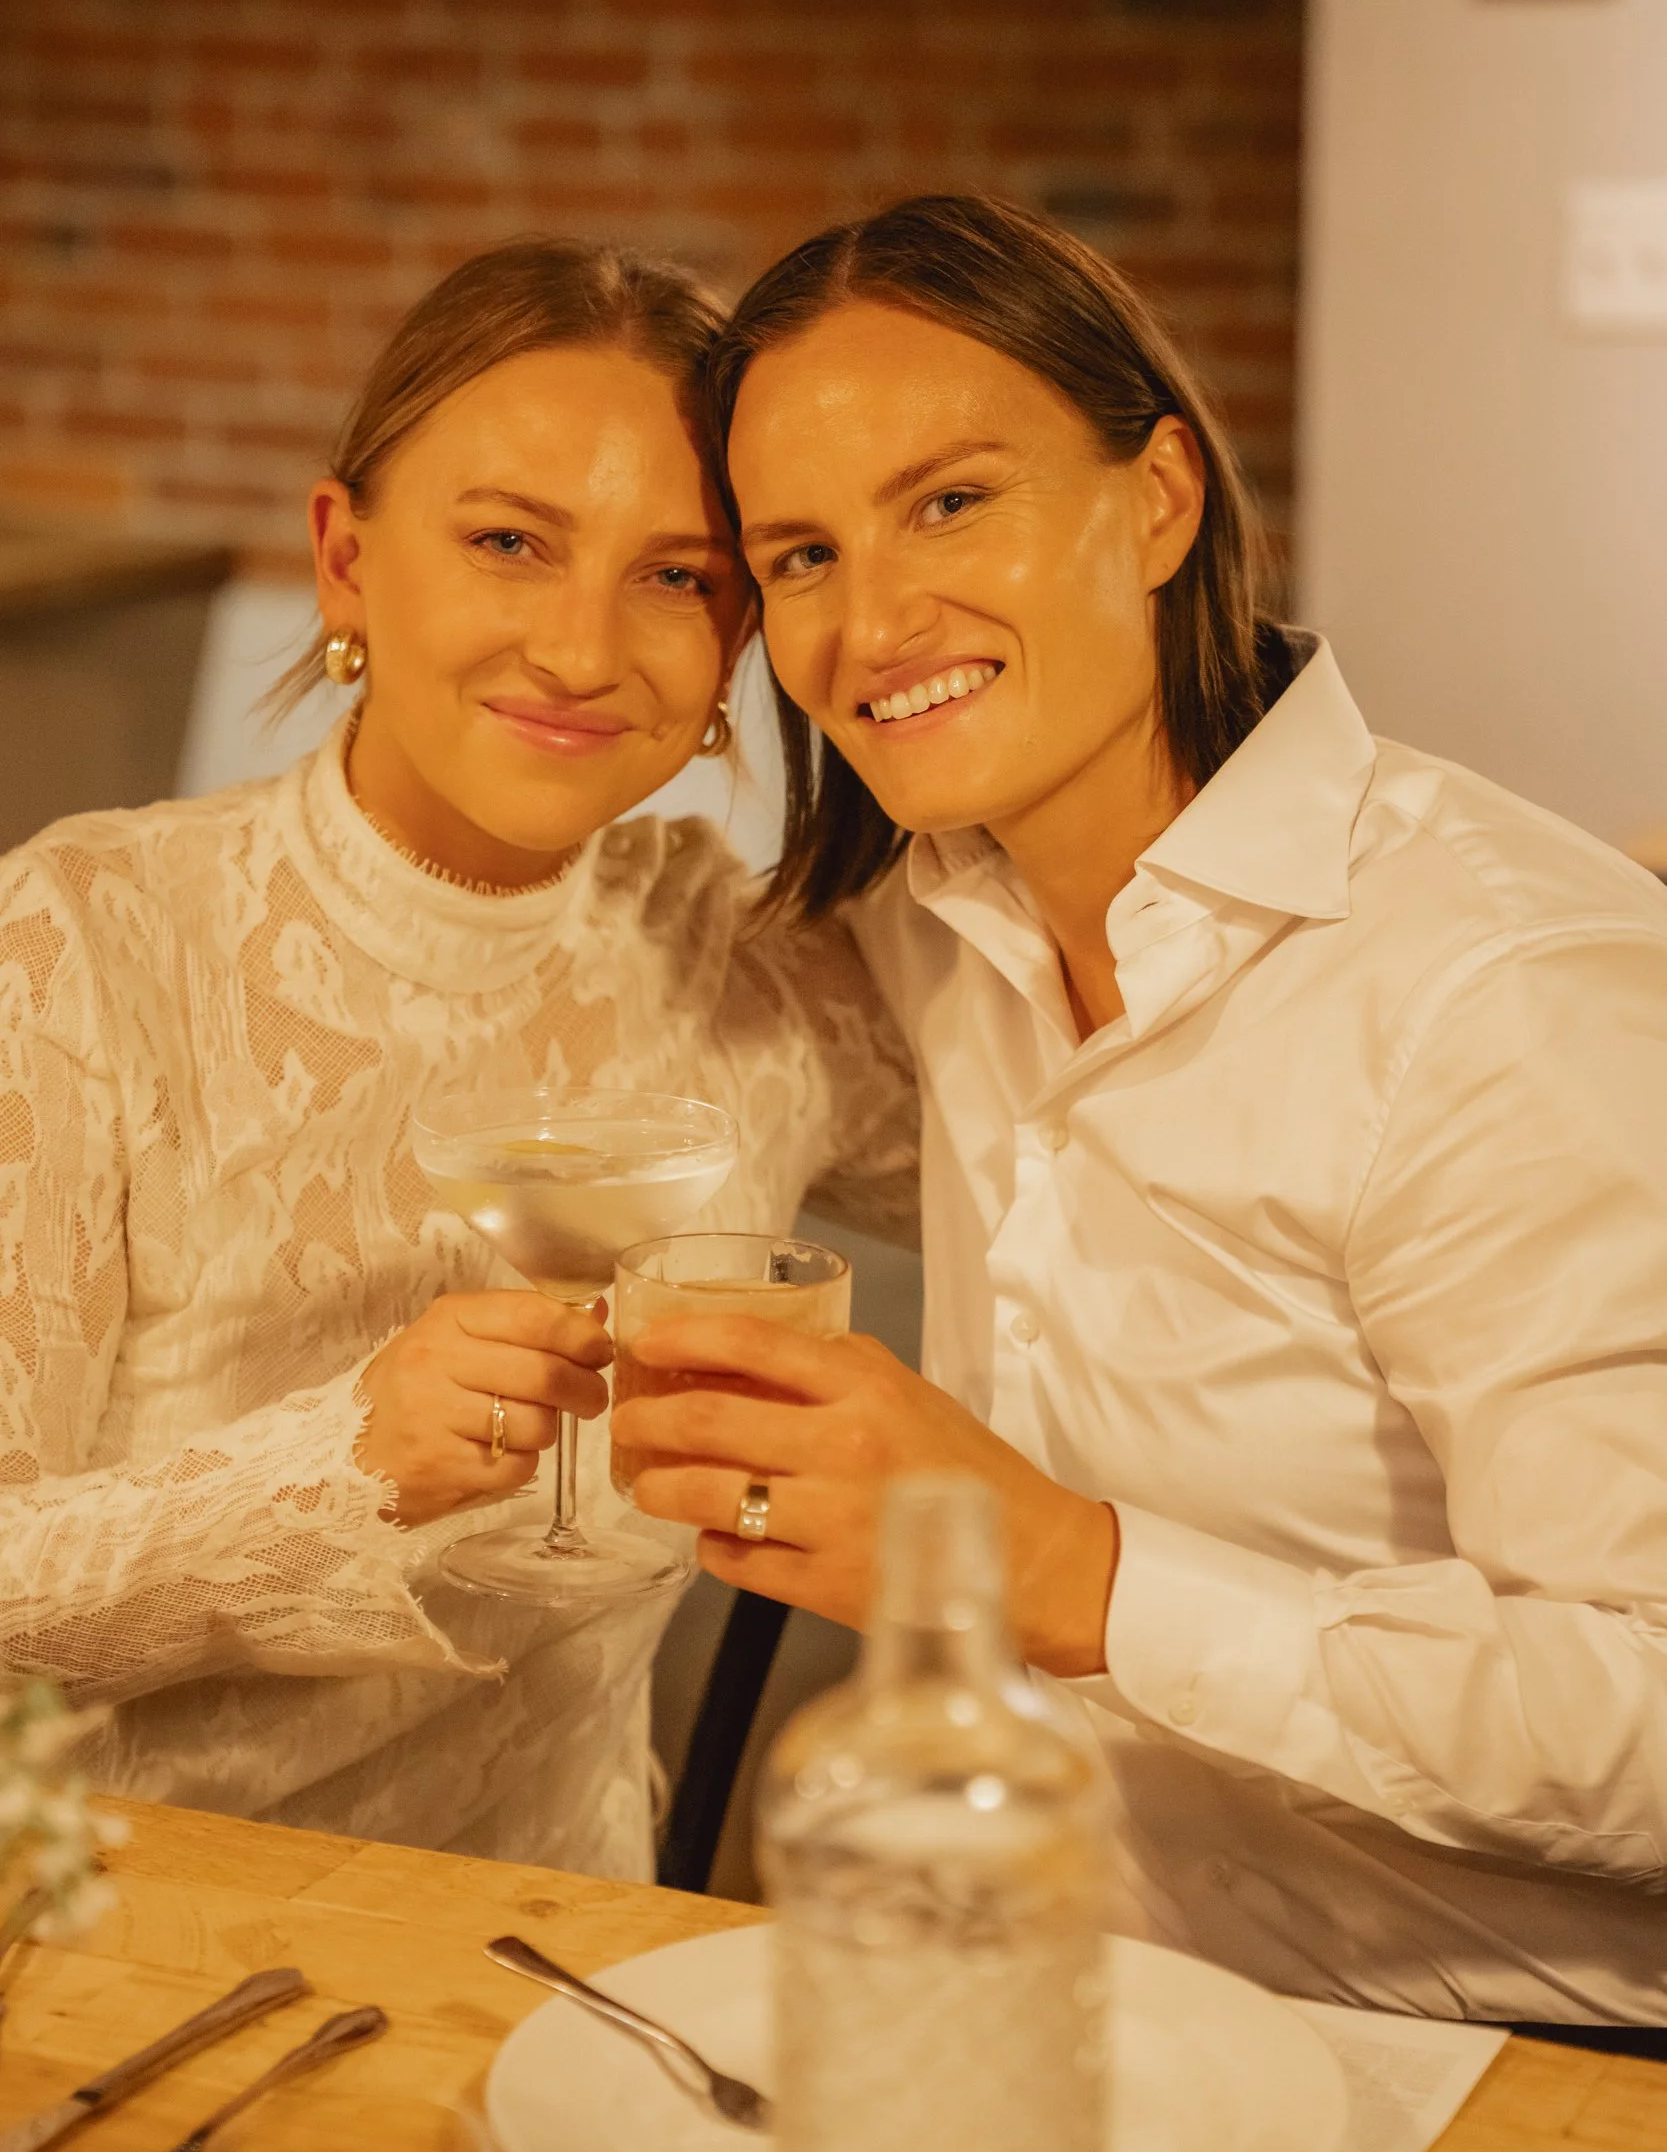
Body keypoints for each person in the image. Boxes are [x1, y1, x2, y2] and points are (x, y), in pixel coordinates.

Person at [613, 192, 1667, 2021]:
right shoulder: (939, 918)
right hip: (1048, 1988)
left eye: (950, 501)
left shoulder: (1500, 993)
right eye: (797, 555)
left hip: (1488, 2079)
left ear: (1159, 499)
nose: (872, 620)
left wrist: (1072, 1578)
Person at [0, 239, 915, 1877]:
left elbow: (1091, 1141)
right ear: (345, 558)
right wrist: (338, 1461)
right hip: (112, 1955)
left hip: (555, 1957)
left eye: (676, 577)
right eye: (508, 542)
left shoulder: (733, 959)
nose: (578, 651)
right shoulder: (83, 941)